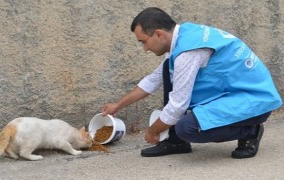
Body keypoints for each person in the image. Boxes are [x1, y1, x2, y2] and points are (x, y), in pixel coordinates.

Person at [101, 7, 282, 159]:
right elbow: (153, 79)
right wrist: (118, 105)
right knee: (166, 69)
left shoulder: (188, 53)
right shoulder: (184, 36)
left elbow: (177, 107)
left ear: (158, 34)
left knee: (186, 128)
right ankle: (176, 142)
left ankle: (250, 131)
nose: (145, 49)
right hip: (235, 92)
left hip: (255, 102)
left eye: (144, 42)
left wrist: (153, 131)